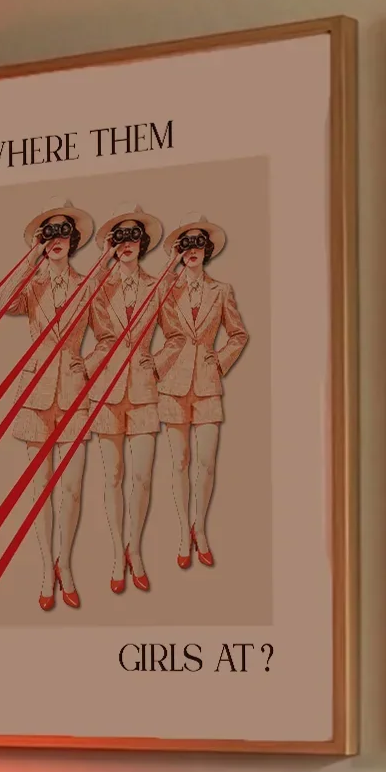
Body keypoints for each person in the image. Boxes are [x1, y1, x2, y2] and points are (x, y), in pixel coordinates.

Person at [5, 201, 97, 611]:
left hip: (75, 392)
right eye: (49, 234)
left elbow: (113, 335)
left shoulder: (89, 284)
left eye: (63, 234)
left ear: (74, 241)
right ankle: (46, 568)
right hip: (37, 392)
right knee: (40, 489)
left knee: (72, 488)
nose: (57, 240)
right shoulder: (33, 284)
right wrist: (30, 258)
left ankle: (66, 564)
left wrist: (86, 364)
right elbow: (5, 304)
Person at [154, 218, 248, 568]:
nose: (192, 250)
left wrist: (219, 360)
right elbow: (144, 323)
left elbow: (238, 334)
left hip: (207, 384)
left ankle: (200, 528)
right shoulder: (165, 290)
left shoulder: (222, 290)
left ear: (207, 250)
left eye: (198, 245)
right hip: (172, 385)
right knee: (179, 462)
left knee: (206, 463)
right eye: (185, 245)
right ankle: (183, 531)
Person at [85, 208, 164, 595]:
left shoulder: (158, 284)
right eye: (120, 238)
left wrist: (159, 362)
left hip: (146, 391)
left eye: (134, 238)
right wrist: (83, 372)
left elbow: (180, 334)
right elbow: (75, 333)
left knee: (143, 477)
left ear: (143, 244)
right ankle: (118, 554)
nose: (128, 244)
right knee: (113, 476)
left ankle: (136, 548)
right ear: (111, 246)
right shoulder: (97, 289)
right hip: (107, 390)